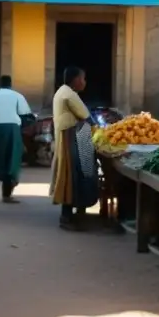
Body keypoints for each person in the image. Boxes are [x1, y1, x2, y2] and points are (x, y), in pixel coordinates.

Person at [50, 67, 100, 230]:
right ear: (76, 80)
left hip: (70, 137)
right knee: (76, 176)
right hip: (73, 138)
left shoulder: (62, 92)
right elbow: (87, 117)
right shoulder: (70, 95)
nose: (84, 82)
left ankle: (76, 214)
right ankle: (68, 217)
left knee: (71, 177)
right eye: (83, 78)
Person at [0, 75, 31, 203]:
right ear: (10, 84)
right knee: (12, 160)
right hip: (12, 128)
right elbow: (25, 114)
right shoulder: (17, 96)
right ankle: (7, 192)